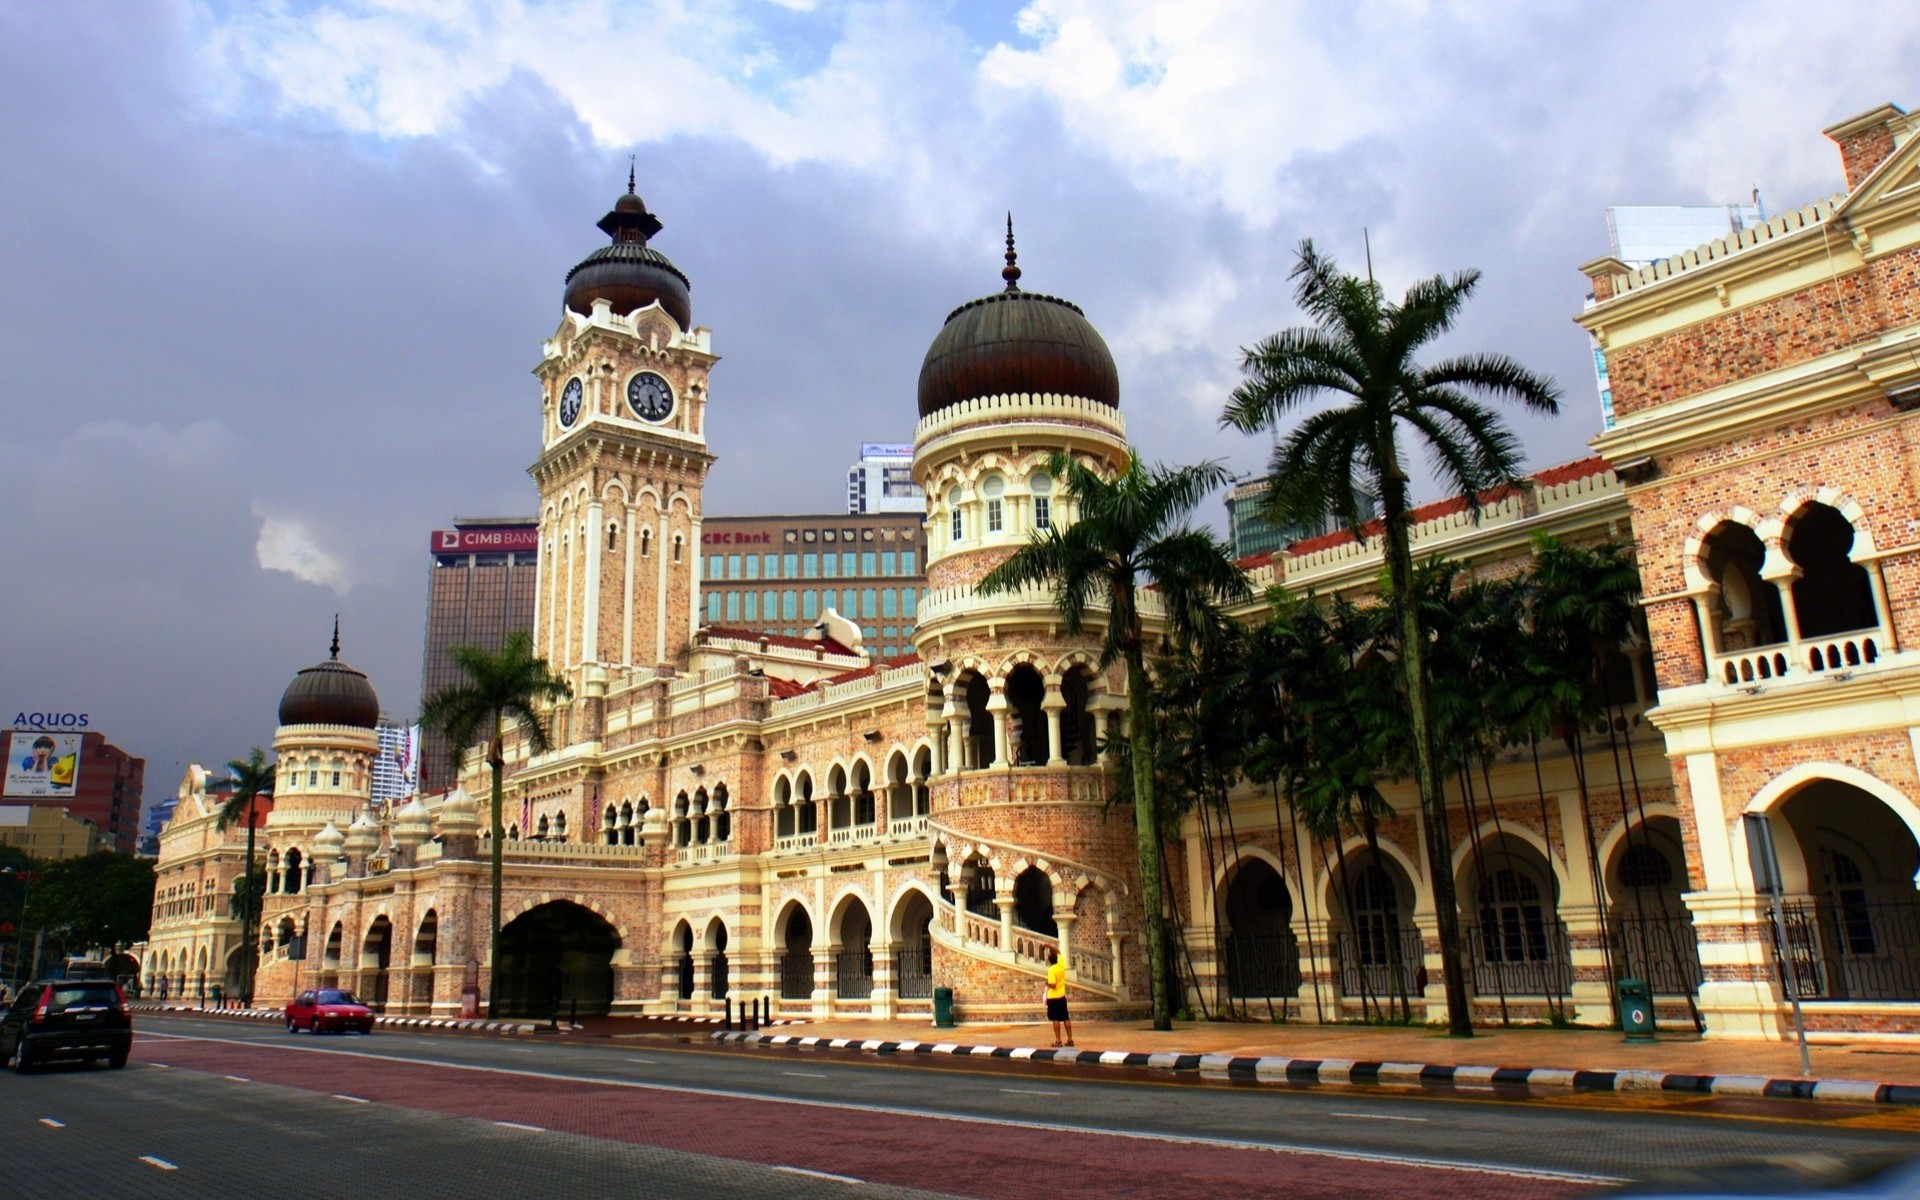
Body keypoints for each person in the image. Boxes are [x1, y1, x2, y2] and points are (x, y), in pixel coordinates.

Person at [1044, 948, 1073, 1047]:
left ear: (1049, 961)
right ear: (1057, 958)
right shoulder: (1061, 965)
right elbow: (1059, 951)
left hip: (1053, 998)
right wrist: (1048, 945)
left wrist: (1047, 983)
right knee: (1065, 1018)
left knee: (1055, 1019)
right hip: (1062, 996)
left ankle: (1058, 1040)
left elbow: (1053, 985)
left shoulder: (1051, 970)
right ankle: (1070, 1039)